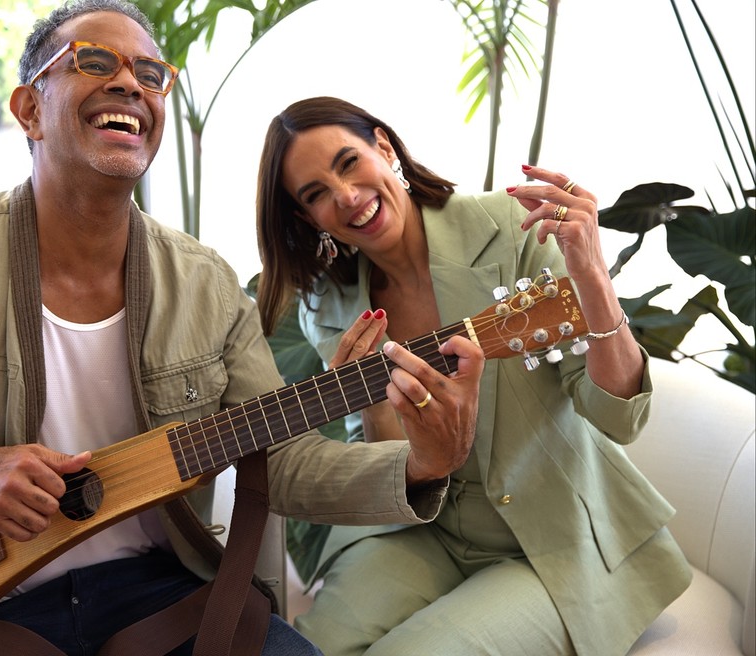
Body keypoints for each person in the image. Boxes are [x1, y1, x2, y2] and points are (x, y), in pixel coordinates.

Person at [0, 5, 490, 656]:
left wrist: (418, 465)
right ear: (30, 109)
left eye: (150, 74)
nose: (129, 84)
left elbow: (285, 462)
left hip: (162, 595)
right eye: (93, 61)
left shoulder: (206, 286)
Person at [254, 96, 692, 656]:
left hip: (547, 539)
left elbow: (618, 419)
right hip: (422, 530)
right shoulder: (329, 307)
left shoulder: (513, 227)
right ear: (307, 218)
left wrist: (592, 278)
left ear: (383, 147)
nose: (345, 197)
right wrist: (370, 400)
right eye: (315, 194)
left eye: (349, 163)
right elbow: (389, 465)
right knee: (303, 648)